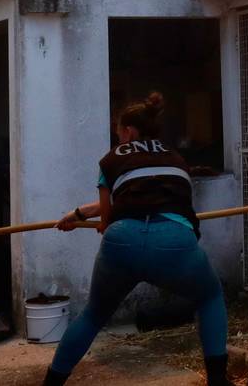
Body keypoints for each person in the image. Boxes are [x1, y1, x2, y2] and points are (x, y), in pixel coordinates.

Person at [44, 93, 229, 386]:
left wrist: (95, 221)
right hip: (174, 242)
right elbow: (151, 195)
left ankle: (52, 383)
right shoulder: (176, 158)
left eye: (118, 131)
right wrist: (79, 213)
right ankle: (218, 380)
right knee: (210, 296)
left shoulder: (111, 159)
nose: (118, 138)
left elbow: (108, 217)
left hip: (123, 242)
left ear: (128, 131)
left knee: (94, 315)